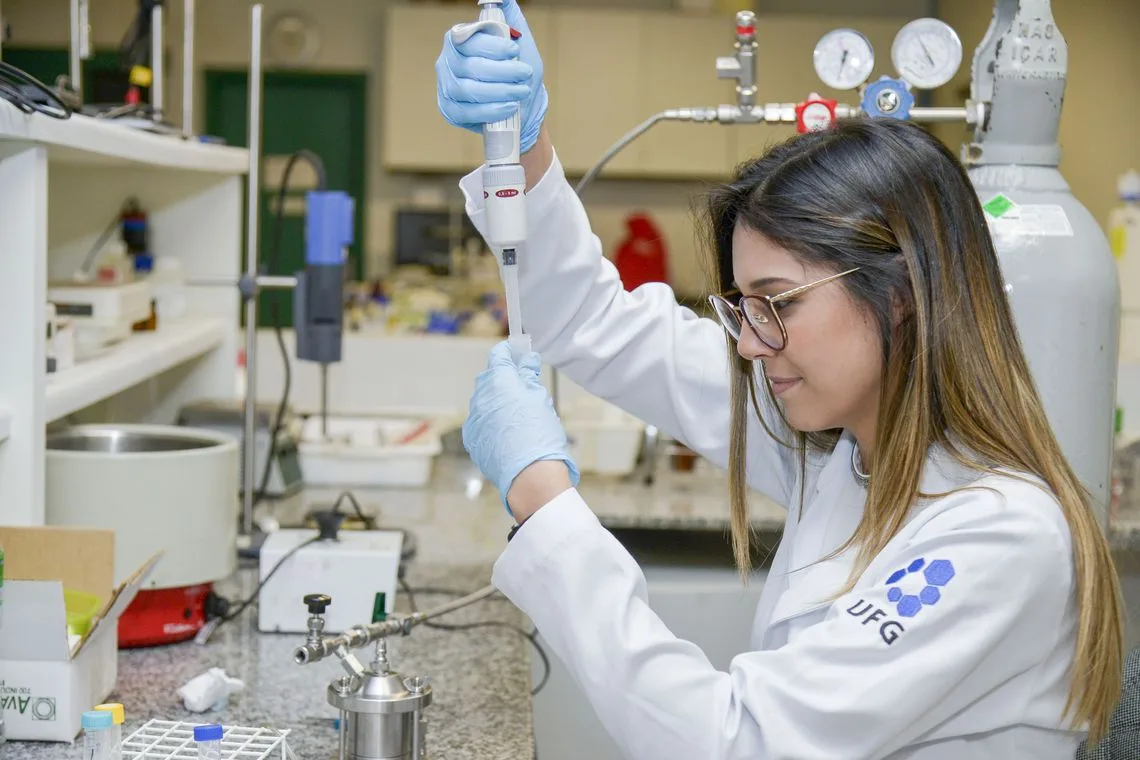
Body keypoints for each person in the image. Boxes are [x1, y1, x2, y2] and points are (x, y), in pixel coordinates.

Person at [436, 3, 1125, 758]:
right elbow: (593, 320)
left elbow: (735, 745)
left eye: (780, 303)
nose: (754, 345)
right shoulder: (847, 451)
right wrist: (524, 148)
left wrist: (543, 500)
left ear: (901, 295)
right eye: (743, 307)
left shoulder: (1001, 535)